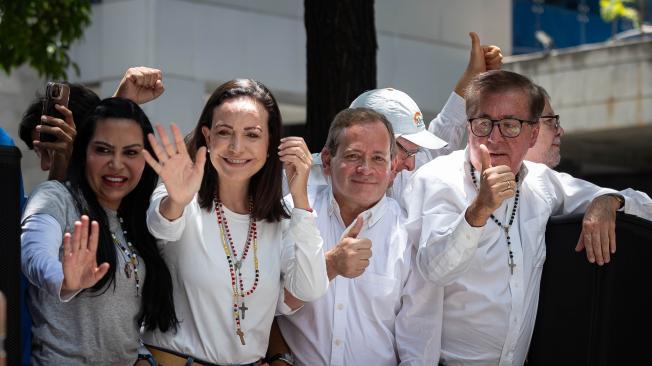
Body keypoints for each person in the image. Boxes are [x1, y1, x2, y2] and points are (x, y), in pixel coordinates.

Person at [402, 70, 652, 365]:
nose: (494, 138)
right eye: (483, 124)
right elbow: (436, 269)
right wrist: (479, 209)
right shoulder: (436, 179)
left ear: (533, 134)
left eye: (509, 125)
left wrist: (609, 200)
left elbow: (644, 203)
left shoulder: (542, 182)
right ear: (469, 126)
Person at [141, 79, 328, 365]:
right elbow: (161, 226)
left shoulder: (281, 219)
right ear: (207, 136)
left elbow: (308, 288)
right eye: (224, 132)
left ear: (270, 143)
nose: (236, 147)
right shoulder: (180, 194)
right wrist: (177, 200)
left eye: (252, 135)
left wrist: (300, 198)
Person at [20, 97, 178, 365]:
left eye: (130, 153)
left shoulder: (139, 217)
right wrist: (63, 279)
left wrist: (142, 355)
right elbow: (32, 254)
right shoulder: (56, 197)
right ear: (83, 152)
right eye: (103, 150)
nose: (116, 164)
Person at [276, 108, 439, 365]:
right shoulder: (291, 212)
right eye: (353, 156)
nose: (365, 168)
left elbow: (419, 341)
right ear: (327, 161)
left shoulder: (409, 232)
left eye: (378, 158)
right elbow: (268, 305)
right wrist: (329, 266)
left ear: (393, 165)